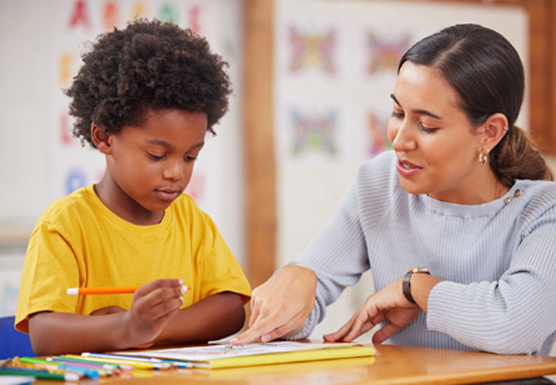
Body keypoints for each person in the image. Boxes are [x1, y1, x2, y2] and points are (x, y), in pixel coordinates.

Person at [232, 23, 556, 355]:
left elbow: (515, 326)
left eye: (427, 126)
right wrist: (297, 282)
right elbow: (307, 303)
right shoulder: (379, 183)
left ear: (490, 132)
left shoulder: (544, 210)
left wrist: (416, 288)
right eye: (397, 112)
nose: (398, 140)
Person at [15, 19, 251, 355]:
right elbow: (45, 335)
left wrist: (153, 327)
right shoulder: (65, 225)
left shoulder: (190, 220)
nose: (175, 173)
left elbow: (231, 308)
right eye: (157, 155)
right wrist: (126, 328)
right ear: (104, 137)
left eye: (189, 156)